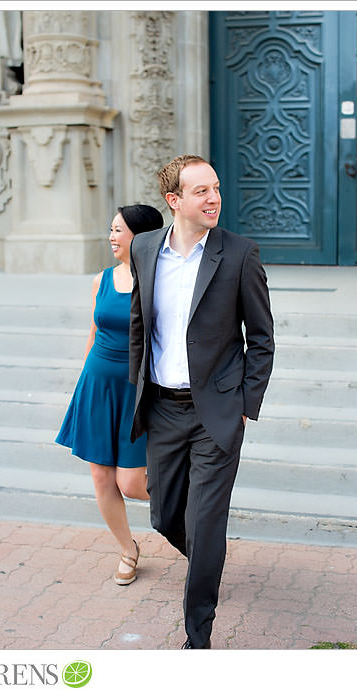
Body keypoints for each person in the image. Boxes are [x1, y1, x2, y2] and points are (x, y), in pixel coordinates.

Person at [128, 155, 274, 648]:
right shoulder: (145, 248)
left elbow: (262, 337)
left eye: (215, 188)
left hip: (216, 411)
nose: (214, 198)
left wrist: (244, 405)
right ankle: (207, 563)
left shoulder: (238, 253)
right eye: (201, 192)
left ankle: (199, 636)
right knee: (165, 515)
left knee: (206, 521)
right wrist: (137, 389)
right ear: (174, 202)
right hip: (163, 408)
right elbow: (138, 326)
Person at [56, 204, 164, 585]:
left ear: (142, 236)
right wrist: (84, 384)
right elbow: (93, 332)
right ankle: (127, 550)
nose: (112, 237)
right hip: (98, 385)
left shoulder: (160, 280)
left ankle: (189, 504)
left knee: (132, 484)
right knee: (101, 477)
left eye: (119, 230)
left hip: (137, 390)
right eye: (111, 229)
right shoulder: (101, 279)